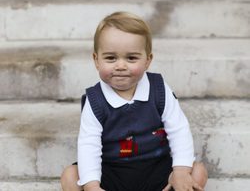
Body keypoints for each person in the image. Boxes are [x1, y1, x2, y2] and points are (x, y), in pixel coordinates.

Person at [61, 11, 208, 191]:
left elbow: (178, 129)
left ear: (147, 60)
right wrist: (92, 185)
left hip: (156, 166)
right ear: (96, 60)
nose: (121, 66)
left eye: (131, 58)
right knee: (70, 176)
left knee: (198, 171)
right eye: (110, 58)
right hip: (111, 170)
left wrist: (180, 171)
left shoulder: (159, 89)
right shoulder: (95, 100)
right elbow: (88, 144)